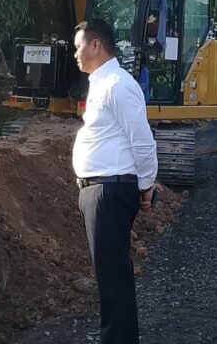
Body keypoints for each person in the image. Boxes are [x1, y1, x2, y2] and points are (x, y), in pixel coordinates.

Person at [72, 18, 158, 344]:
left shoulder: (117, 85)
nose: (75, 54)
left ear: (96, 45)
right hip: (100, 191)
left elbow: (142, 140)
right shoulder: (101, 83)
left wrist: (146, 185)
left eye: (79, 47)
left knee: (113, 281)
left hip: (108, 191)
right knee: (110, 279)